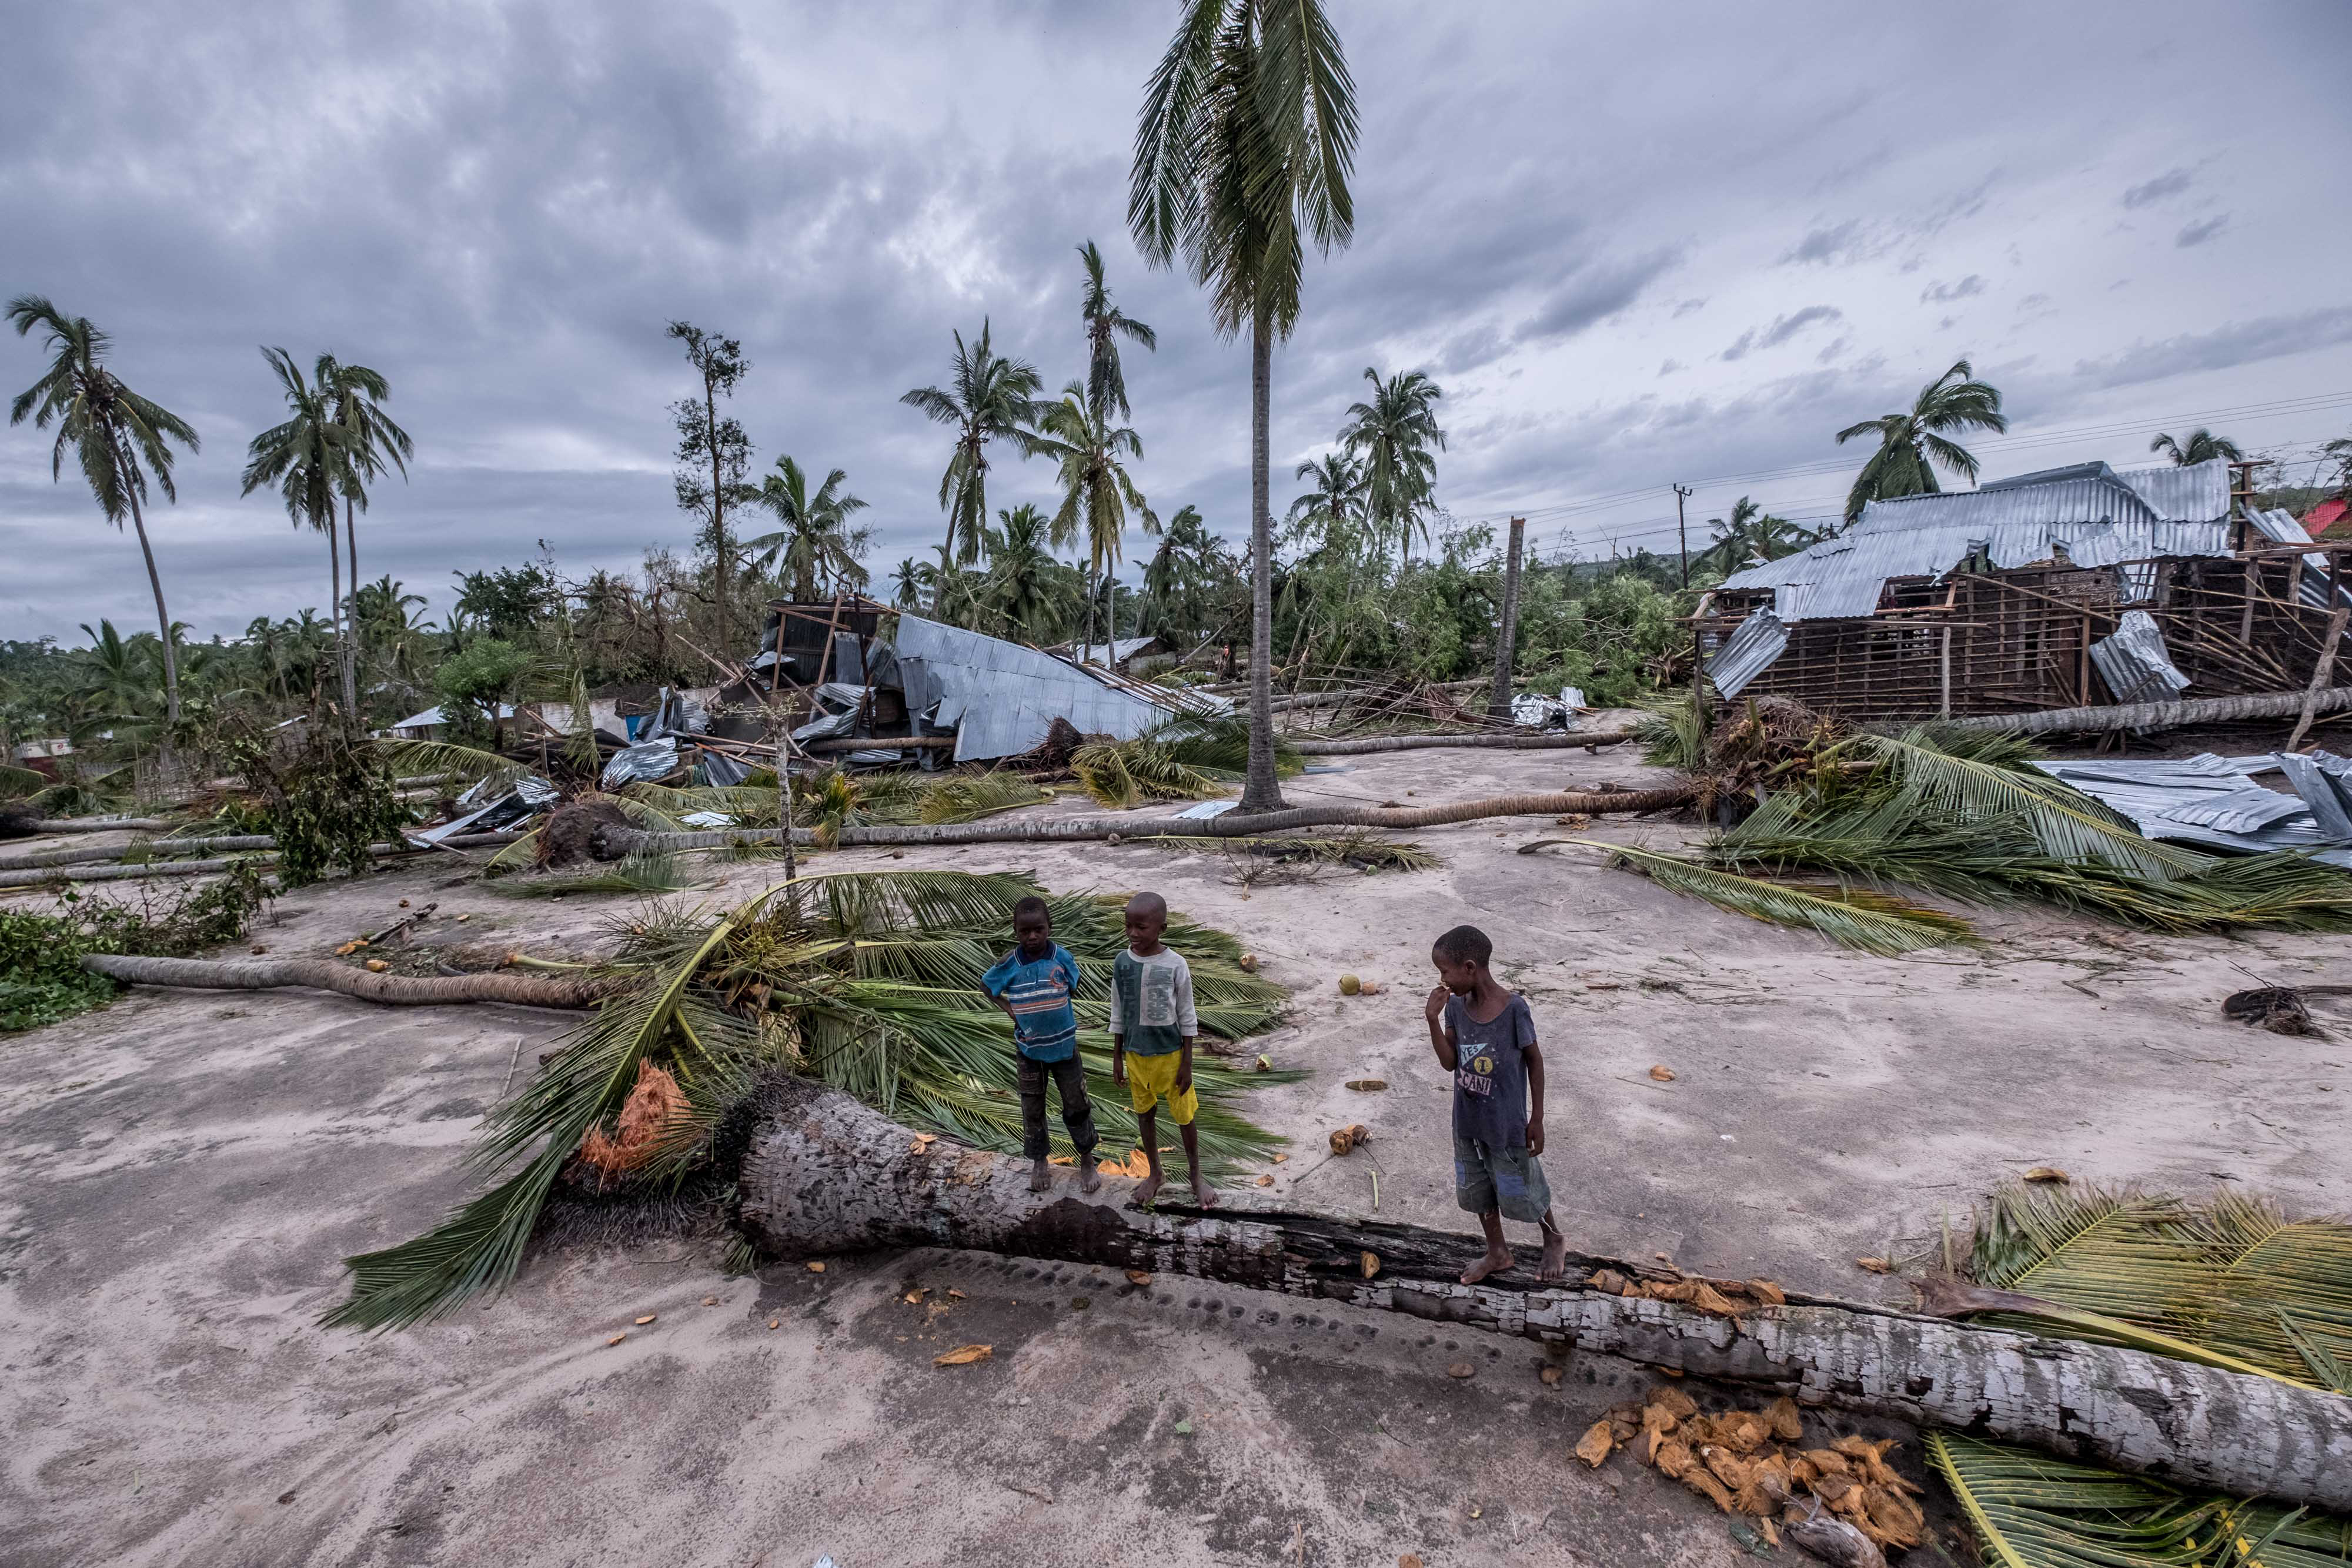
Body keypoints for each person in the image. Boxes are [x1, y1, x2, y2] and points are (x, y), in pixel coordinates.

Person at [1425, 923, 1567, 1284]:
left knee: (1524, 1182)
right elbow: (1449, 1062)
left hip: (1506, 1123)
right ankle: (1497, 1251)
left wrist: (1537, 1118)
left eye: (1445, 971)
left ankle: (1553, 1237)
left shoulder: (1514, 1009)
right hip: (1469, 1120)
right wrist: (1432, 1020)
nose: (1443, 979)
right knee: (1478, 1188)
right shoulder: (1455, 1008)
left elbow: (1535, 1061)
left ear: (1470, 968)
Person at [981, 895, 1101, 1194]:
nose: (1032, 937)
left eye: (1039, 930)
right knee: (1032, 1108)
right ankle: (1039, 1161)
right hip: (1029, 1051)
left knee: (1077, 1104)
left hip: (1064, 1048)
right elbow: (987, 986)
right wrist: (1010, 1009)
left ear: (1049, 927)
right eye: (1025, 932)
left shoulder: (1062, 957)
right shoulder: (1009, 963)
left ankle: (1087, 1159)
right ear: (1015, 931)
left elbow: (1072, 987)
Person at [1109, 890, 1215, 1208]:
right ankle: (1156, 1172)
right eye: (1128, 926)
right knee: (1145, 1114)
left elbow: (1187, 1015)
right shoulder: (1122, 962)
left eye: (1141, 927)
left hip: (1171, 1057)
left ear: (1161, 929)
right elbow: (1117, 1011)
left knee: (1185, 1117)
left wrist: (1188, 1064)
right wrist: (1117, 1055)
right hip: (1135, 1055)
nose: (1132, 933)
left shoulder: (1175, 964)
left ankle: (1196, 1175)